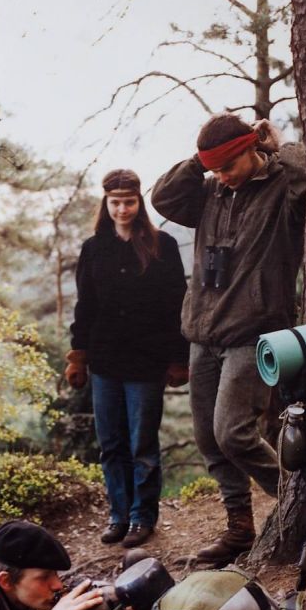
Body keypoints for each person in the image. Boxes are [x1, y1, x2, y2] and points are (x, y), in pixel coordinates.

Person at [151, 114, 306, 565]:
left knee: (233, 432)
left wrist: (275, 144)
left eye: (227, 165)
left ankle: (299, 501)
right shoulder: (209, 192)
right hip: (203, 330)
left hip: (253, 331)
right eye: (213, 168)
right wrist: (202, 163)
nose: (221, 175)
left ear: (250, 150)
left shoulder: (281, 187)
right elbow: (163, 196)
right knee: (207, 438)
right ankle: (239, 525)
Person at [65, 169, 189, 549]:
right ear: (106, 202)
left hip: (146, 362)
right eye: (115, 202)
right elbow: (85, 305)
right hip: (104, 361)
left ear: (139, 202)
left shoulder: (162, 245)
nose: (122, 208)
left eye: (129, 201)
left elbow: (176, 304)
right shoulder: (94, 248)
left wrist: (178, 358)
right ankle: (118, 515)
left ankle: (142, 517)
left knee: (142, 445)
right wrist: (78, 357)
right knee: (112, 444)